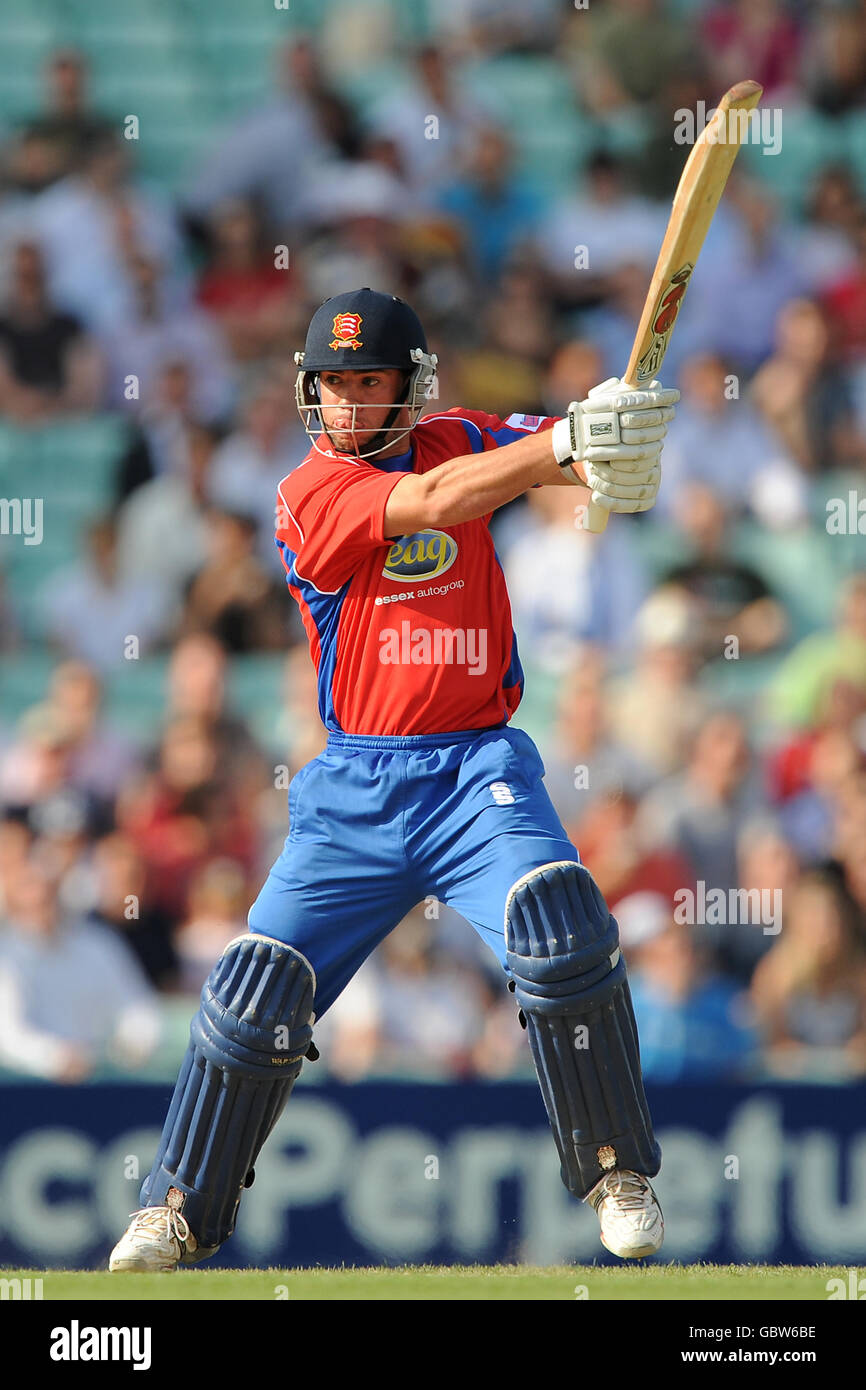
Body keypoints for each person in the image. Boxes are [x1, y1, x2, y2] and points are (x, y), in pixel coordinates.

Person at [110, 287, 679, 1272]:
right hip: (356, 791)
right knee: (254, 992)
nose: (345, 404)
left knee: (560, 925)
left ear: (408, 385)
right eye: (330, 384)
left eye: (365, 382)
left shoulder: (458, 432)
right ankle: (177, 1207)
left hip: (475, 770)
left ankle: (613, 1170)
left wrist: (610, 445)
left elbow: (562, 457)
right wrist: (559, 451)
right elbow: (438, 500)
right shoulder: (306, 495)